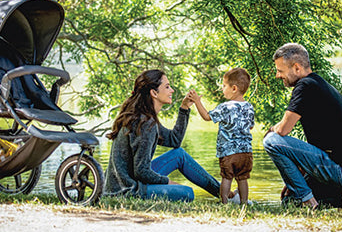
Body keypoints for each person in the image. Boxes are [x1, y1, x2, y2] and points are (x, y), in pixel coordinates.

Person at [263, 43, 342, 212]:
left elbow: (283, 130)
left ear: (297, 68)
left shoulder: (305, 86)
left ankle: (309, 201)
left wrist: (271, 130)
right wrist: (297, 177)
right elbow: (318, 144)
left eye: (280, 70)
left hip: (341, 170)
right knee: (289, 201)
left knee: (271, 140)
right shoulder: (317, 84)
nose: (278, 76)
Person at [103, 69, 227, 201]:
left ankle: (224, 194)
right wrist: (167, 182)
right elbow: (141, 171)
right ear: (154, 93)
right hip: (126, 189)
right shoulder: (145, 123)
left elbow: (174, 141)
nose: (172, 90)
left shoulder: (145, 117)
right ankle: (226, 195)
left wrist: (184, 108)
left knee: (179, 154)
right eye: (167, 87)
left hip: (130, 179)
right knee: (187, 193)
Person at [190, 68, 254, 205]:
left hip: (228, 152)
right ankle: (244, 203)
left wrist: (197, 101)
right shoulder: (249, 107)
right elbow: (251, 126)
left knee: (227, 178)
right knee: (242, 178)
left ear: (234, 88)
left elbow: (207, 117)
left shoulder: (225, 107)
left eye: (224, 86)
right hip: (246, 152)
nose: (222, 89)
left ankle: (224, 202)